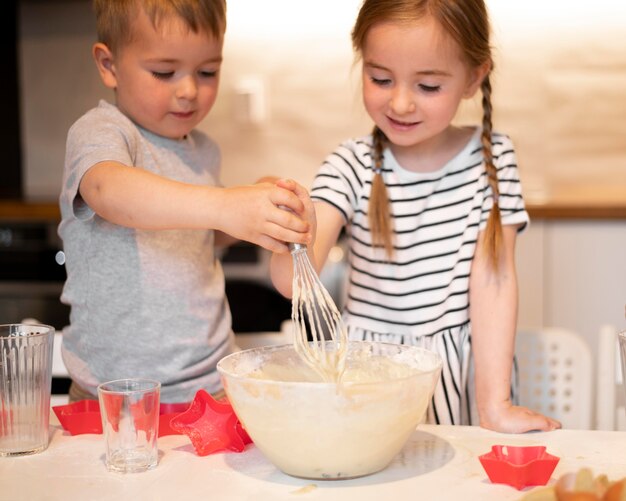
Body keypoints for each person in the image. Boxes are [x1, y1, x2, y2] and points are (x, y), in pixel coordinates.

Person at [271, 0, 561, 433]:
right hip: (368, 378)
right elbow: (295, 281)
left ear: (473, 78)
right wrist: (288, 231)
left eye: (427, 86)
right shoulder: (349, 164)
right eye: (380, 79)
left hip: (455, 377)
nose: (401, 102)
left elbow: (494, 279)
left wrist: (495, 403)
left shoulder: (493, 159)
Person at [58, 0, 311, 404]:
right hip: (113, 396)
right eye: (164, 72)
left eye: (207, 71)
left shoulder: (203, 150)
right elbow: (108, 192)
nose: (189, 90)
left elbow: (200, 236)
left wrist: (254, 214)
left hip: (211, 386)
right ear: (109, 65)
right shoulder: (103, 132)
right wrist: (225, 205)